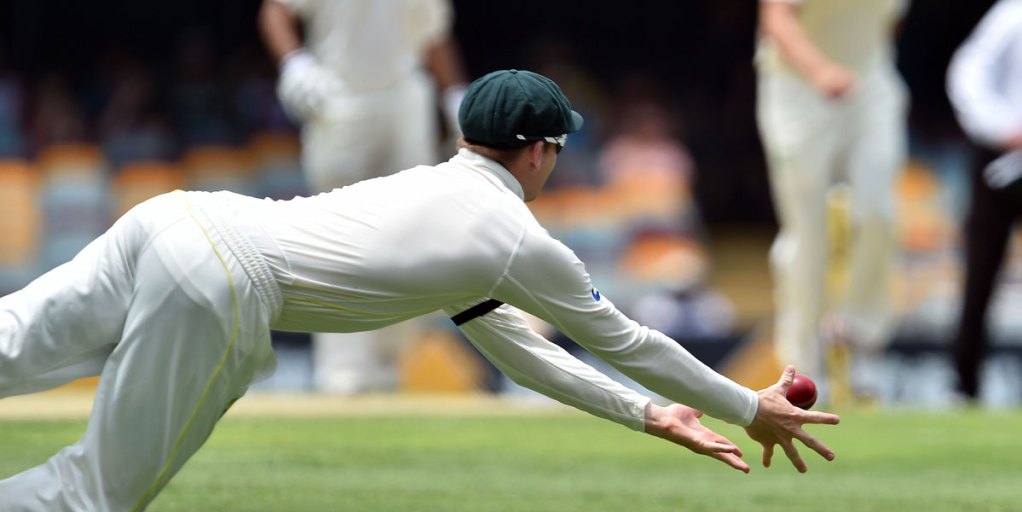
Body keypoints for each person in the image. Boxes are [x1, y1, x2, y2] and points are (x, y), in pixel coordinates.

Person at [0, 69, 840, 510]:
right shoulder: (515, 238)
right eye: (558, 148)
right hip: (223, 281)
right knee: (96, 496)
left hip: (176, 218)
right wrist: (747, 406)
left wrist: (648, 414)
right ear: (540, 151)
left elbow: (520, 353)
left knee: (9, 344)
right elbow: (632, 342)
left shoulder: (436, 196)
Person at [258, 0, 470, 393]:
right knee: (337, 239)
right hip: (339, 98)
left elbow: (433, 35)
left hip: (405, 98)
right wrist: (295, 63)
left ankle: (392, 361)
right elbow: (276, 11)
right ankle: (342, 372)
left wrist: (455, 94)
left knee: (408, 235)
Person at [755, 0, 910, 401]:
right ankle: (803, 360)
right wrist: (819, 70)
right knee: (809, 230)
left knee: (878, 212)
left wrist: (857, 67)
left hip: (871, 85)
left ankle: (862, 338)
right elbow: (775, 16)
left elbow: (883, 24)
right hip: (795, 89)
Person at [946, 0, 1022, 403]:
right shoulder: (1013, 14)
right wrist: (1001, 128)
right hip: (1004, 159)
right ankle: (964, 385)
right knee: (981, 271)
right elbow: (968, 71)